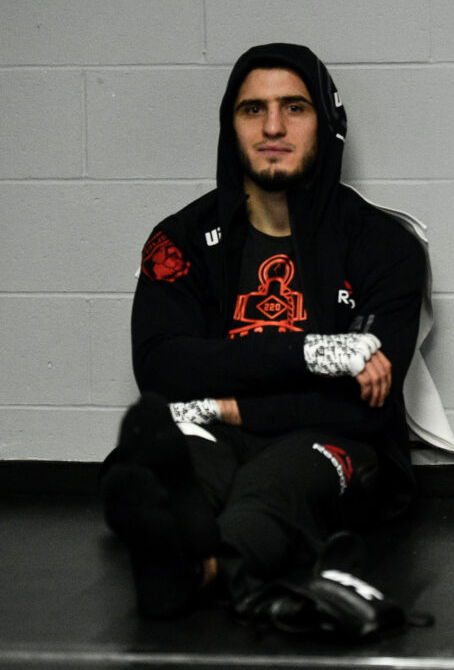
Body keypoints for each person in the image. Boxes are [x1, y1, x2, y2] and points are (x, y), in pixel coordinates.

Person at [99, 43, 432, 619]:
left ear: (327, 122)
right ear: (230, 125)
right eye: (253, 109)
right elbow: (161, 364)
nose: (272, 126)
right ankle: (170, 547)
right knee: (170, 469)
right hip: (209, 428)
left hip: (326, 438)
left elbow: (363, 409)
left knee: (275, 485)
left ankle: (196, 571)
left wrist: (231, 404)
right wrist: (313, 353)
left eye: (294, 108)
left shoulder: (386, 245)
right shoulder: (179, 239)